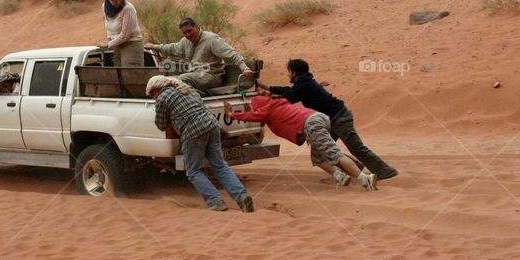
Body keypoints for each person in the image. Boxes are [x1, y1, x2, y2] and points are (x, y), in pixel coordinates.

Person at [257, 59, 398, 180]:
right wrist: (265, 87)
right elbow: (288, 91)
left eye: (289, 72)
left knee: (355, 148)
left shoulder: (304, 85)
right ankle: (356, 168)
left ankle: (385, 171)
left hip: (340, 118)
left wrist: (268, 96)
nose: (288, 74)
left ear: (294, 73)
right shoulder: (305, 82)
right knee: (322, 150)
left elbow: (288, 97)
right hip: (331, 120)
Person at [147, 75, 254, 212]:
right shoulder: (187, 89)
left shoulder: (162, 98)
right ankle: (242, 196)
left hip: (193, 133)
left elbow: (161, 125)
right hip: (212, 126)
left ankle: (215, 202)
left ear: (157, 89)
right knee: (220, 166)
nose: (153, 97)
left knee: (193, 171)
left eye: (151, 94)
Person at [225, 95, 377, 190]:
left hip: (311, 124)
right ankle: (339, 176)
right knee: (318, 158)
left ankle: (365, 178)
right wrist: (248, 110)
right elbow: (257, 116)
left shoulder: (267, 110)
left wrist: (232, 114)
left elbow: (253, 116)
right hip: (318, 118)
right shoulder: (277, 104)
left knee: (333, 153)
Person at [144, 17, 253, 92]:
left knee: (182, 78)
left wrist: (245, 68)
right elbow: (173, 48)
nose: (187, 34)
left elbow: (232, 54)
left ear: (197, 26)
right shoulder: (185, 41)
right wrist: (155, 46)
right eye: (184, 33)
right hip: (194, 72)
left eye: (190, 31)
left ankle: (180, 99)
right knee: (166, 66)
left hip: (211, 76)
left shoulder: (211, 39)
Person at [98, 0, 145, 67]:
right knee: (118, 76)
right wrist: (109, 40)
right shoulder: (105, 7)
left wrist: (108, 44)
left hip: (131, 45)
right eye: (114, 1)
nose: (118, 2)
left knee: (130, 77)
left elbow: (125, 35)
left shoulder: (128, 8)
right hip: (116, 45)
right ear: (108, 0)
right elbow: (108, 27)